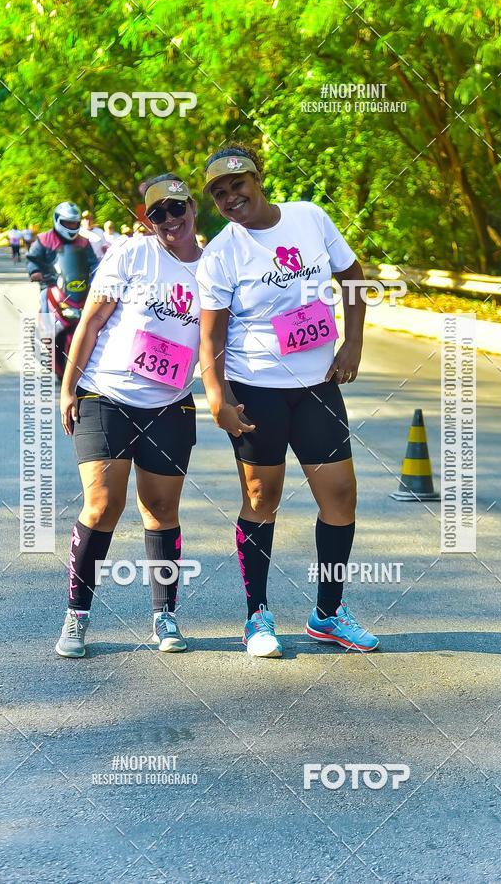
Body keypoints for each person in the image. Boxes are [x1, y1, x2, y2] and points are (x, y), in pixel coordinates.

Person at [197, 144, 379, 658]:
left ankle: (328, 613)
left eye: (239, 184)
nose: (232, 197)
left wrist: (354, 341)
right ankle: (257, 616)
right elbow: (210, 340)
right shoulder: (222, 254)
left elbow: (354, 277)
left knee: (340, 496)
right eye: (220, 193)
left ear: (259, 178)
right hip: (256, 390)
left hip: (318, 384)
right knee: (261, 500)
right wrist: (218, 398)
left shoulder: (309, 218)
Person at [55, 174, 202, 658]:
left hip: (170, 403)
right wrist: (69, 387)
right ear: (148, 218)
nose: (169, 220)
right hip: (107, 395)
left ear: (192, 208)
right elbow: (92, 320)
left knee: (161, 510)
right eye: (157, 213)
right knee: (102, 505)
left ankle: (165, 615)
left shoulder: (215, 267)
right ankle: (77, 616)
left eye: (176, 208)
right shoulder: (131, 254)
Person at [27, 202, 98, 288]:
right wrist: (35, 271)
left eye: (74, 223)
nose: (72, 226)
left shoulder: (84, 242)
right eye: (68, 223)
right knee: (44, 297)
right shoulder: (44, 239)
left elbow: (93, 263)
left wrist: (97, 273)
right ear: (57, 219)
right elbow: (33, 259)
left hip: (79, 287)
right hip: (50, 285)